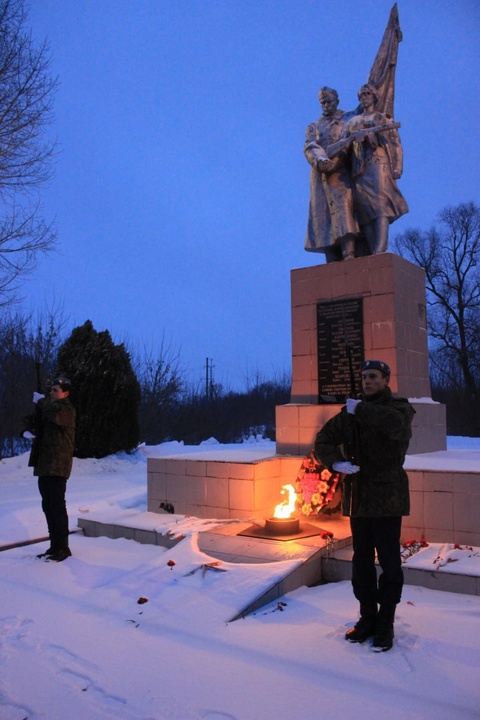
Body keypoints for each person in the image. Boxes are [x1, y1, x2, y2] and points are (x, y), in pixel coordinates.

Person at [314, 360, 415, 651]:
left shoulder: (400, 408)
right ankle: (367, 617)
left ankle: (387, 621)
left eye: (373, 377)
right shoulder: (350, 414)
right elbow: (323, 440)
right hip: (358, 498)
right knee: (361, 563)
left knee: (390, 563)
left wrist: (362, 409)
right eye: (364, 377)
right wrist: (335, 462)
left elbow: (396, 427)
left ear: (386, 380)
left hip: (387, 500)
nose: (367, 381)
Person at [340, 83, 408, 254]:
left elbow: (395, 144)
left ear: (374, 96)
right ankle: (372, 250)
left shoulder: (382, 118)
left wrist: (398, 167)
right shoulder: (353, 121)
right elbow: (342, 146)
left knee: (381, 206)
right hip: (359, 168)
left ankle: (380, 248)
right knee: (364, 211)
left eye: (368, 94)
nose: (364, 97)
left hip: (379, 165)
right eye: (361, 95)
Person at [304, 87, 361, 261]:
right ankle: (331, 256)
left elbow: (366, 108)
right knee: (324, 218)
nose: (326, 105)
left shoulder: (347, 119)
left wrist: (337, 161)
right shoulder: (314, 126)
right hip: (321, 176)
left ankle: (349, 252)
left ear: (337, 100)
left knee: (345, 210)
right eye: (323, 102)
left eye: (329, 101)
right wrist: (320, 160)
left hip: (342, 173)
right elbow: (310, 146)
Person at [22, 376, 76, 562]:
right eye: (51, 390)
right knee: (48, 506)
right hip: (44, 465)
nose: (51, 393)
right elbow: (35, 421)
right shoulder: (48, 408)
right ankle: (54, 545)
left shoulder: (66, 409)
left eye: (56, 390)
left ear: (65, 393)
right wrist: (25, 430)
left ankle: (63, 548)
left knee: (57, 507)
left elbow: (56, 417)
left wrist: (42, 402)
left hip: (58, 465)